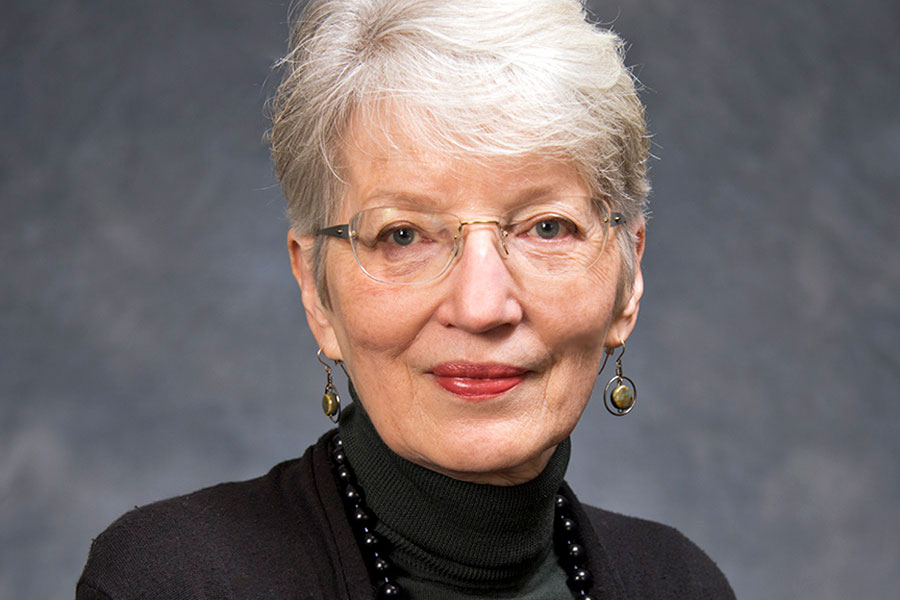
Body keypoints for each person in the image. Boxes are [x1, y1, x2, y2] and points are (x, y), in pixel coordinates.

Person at [77, 0, 736, 598]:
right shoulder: (173, 581)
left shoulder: (680, 583)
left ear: (627, 279)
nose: (481, 306)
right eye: (403, 235)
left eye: (546, 228)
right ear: (316, 290)